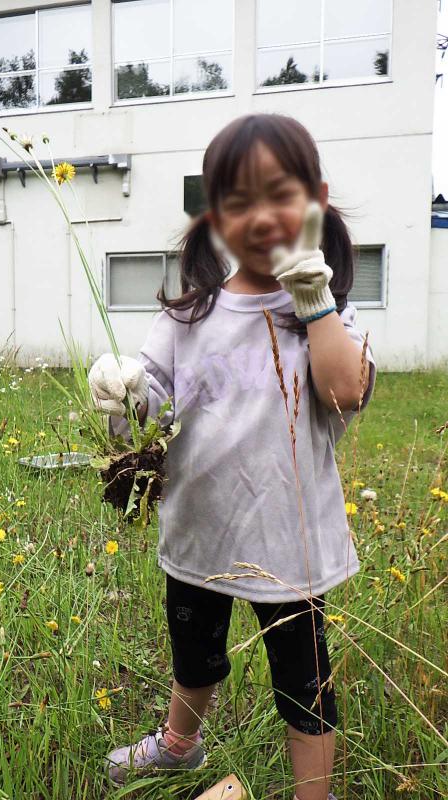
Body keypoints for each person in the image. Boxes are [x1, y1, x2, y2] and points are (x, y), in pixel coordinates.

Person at [88, 112, 376, 800]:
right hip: (199, 531)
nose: (262, 216)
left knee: (304, 684)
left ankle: (315, 795)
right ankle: (180, 746)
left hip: (290, 545)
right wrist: (120, 388)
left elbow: (344, 393)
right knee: (195, 659)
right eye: (237, 201)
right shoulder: (192, 314)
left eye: (280, 194)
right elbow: (147, 404)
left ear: (317, 201)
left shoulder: (329, 314)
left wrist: (312, 297)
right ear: (215, 216)